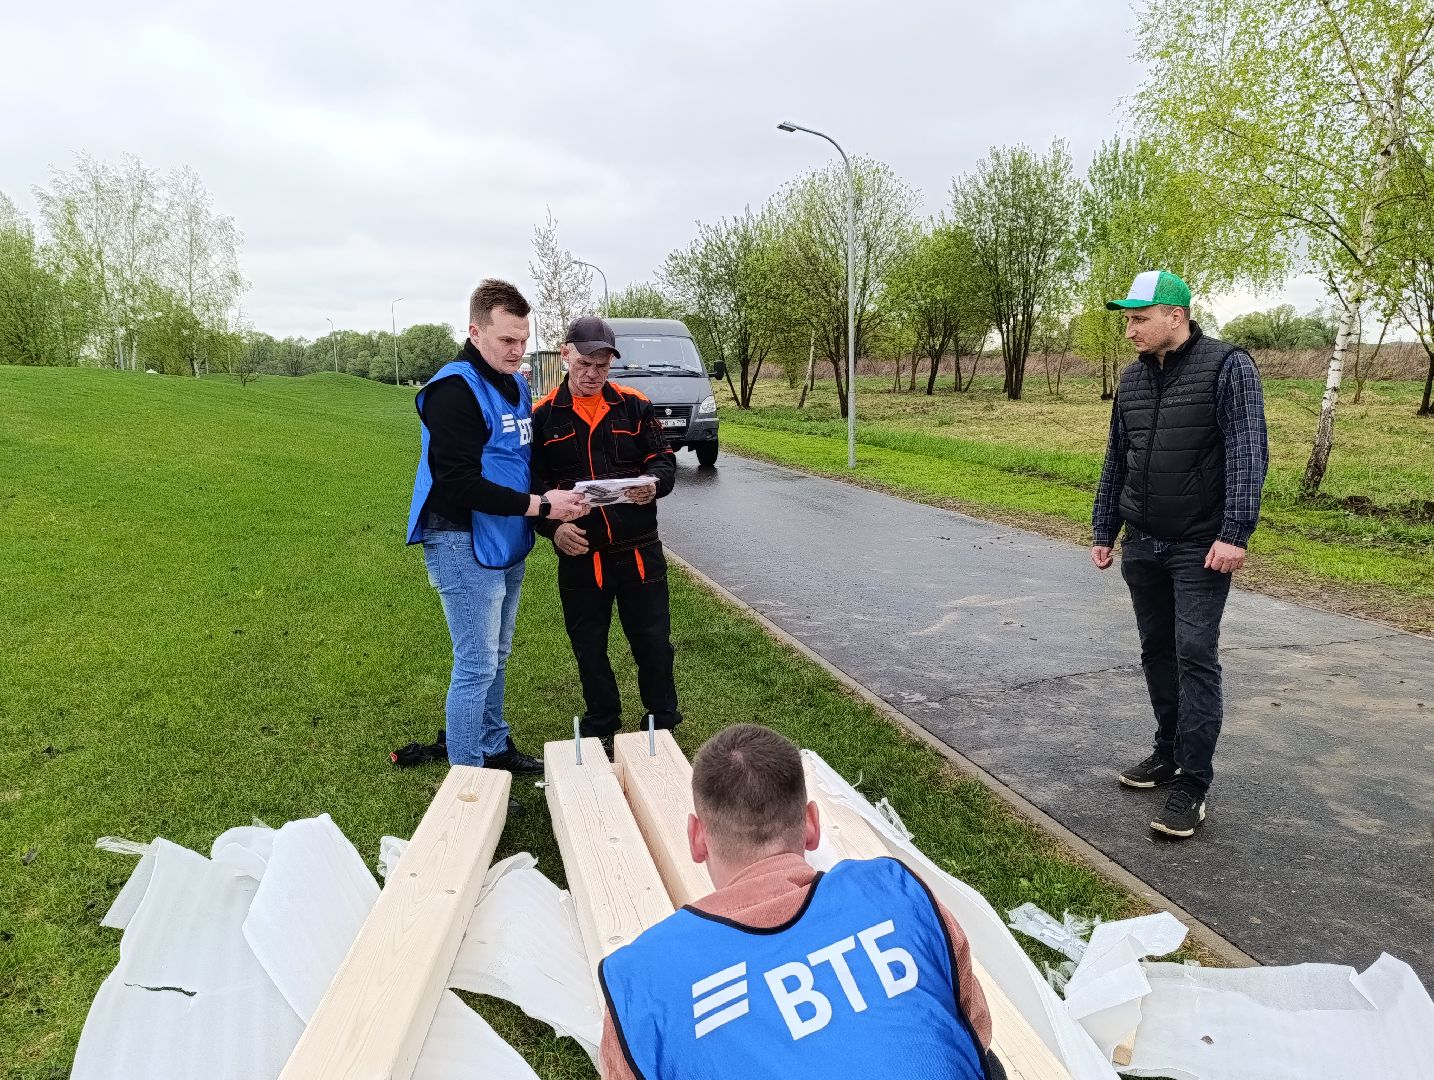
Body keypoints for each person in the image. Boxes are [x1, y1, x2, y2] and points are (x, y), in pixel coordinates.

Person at [597, 724, 1004, 1080]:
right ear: (812, 824)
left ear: (697, 838)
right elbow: (974, 1031)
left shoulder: (640, 981)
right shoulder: (898, 892)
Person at [1092, 270, 1269, 838]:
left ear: (1176, 315)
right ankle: (1166, 752)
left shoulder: (1227, 366)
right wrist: (1105, 527)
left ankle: (1192, 784)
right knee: (1157, 651)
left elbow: (1248, 450)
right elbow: (1118, 456)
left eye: (1139, 318)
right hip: (1144, 540)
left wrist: (1235, 533)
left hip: (1200, 546)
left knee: (1194, 654)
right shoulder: (1133, 379)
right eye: (1128, 319)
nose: (1130, 330)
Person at [405, 279, 586, 771]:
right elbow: (458, 483)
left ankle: (493, 744)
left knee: (498, 655)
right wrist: (542, 507)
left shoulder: (517, 383)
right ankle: (469, 779)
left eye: (524, 339)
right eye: (507, 340)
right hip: (459, 536)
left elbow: (522, 458)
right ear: (475, 332)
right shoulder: (453, 390)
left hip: (507, 535)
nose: (518, 350)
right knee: (476, 663)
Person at [531, 315, 681, 751]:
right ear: (565, 355)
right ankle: (602, 722)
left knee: (653, 642)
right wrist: (551, 529)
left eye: (602, 365)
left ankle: (662, 723)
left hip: (639, 552)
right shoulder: (542, 417)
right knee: (589, 647)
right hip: (581, 554)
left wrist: (651, 484)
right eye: (584, 364)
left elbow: (664, 461)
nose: (593, 374)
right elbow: (530, 487)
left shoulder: (634, 404)